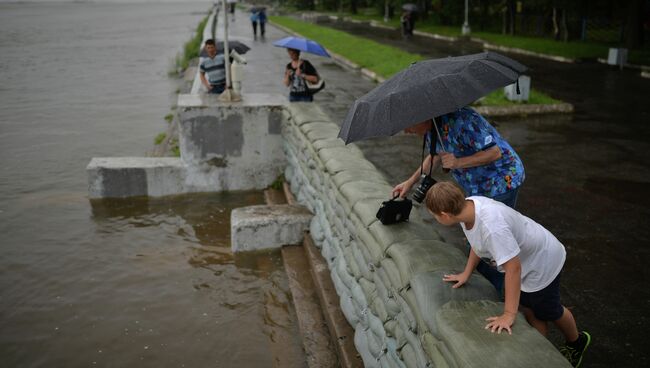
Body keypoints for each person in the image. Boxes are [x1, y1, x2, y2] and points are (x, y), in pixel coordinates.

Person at [425, 181, 591, 367]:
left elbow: (513, 269)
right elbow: (478, 244)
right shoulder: (467, 208)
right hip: (525, 259)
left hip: (541, 262)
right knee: (529, 308)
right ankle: (539, 355)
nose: (435, 219)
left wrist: (509, 314)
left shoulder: (492, 228)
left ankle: (576, 342)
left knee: (548, 309)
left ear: (445, 215)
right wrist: (466, 272)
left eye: (434, 216)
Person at [392, 106, 525, 292]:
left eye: (408, 126)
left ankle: (503, 290)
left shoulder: (464, 121)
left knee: (493, 236)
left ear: (422, 118)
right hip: (476, 185)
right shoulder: (433, 128)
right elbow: (435, 156)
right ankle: (485, 275)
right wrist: (410, 181)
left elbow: (494, 153)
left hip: (501, 180)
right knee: (478, 234)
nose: (407, 131)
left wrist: (458, 163)